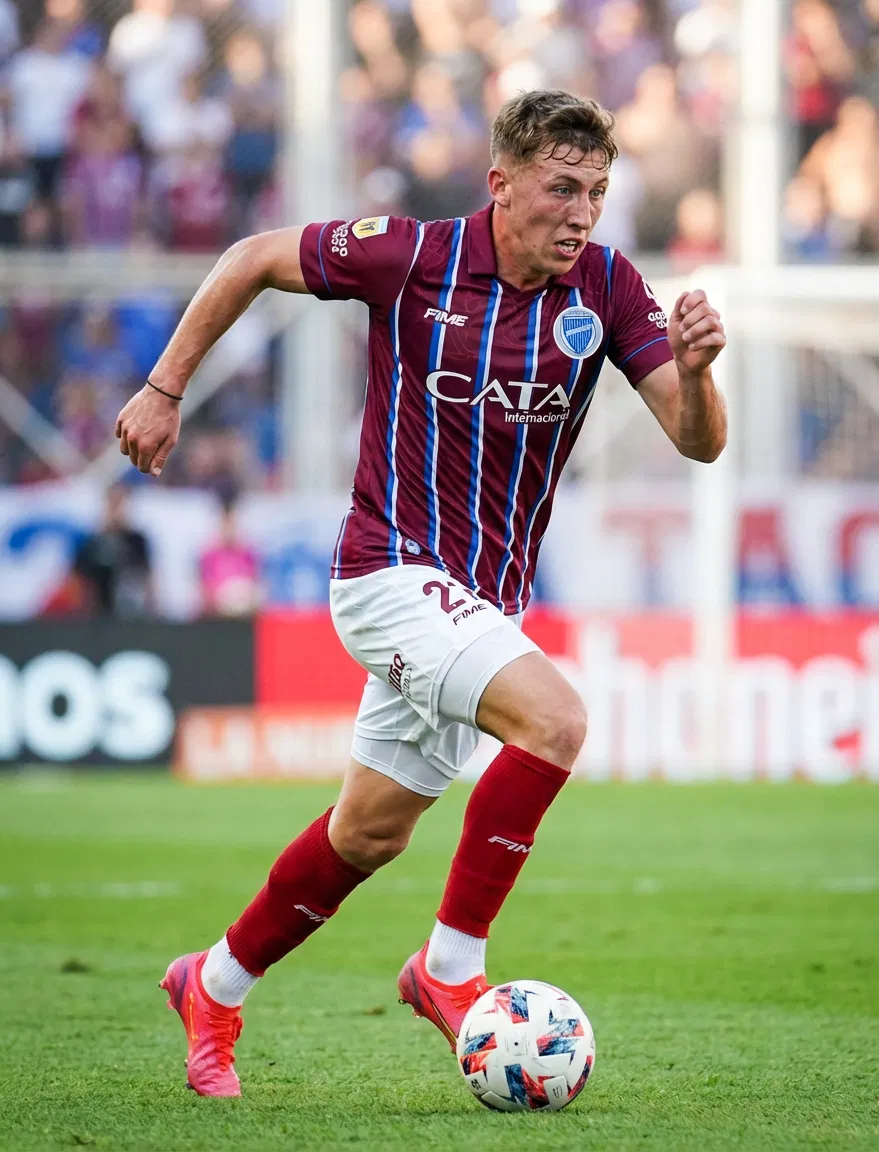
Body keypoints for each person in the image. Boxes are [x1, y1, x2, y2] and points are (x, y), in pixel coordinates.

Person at [115, 89, 727, 1097]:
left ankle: (211, 983)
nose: (581, 213)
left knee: (368, 834)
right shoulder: (409, 256)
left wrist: (698, 373)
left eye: (597, 193)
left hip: (481, 603)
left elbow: (697, 442)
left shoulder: (610, 290)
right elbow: (252, 256)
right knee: (557, 724)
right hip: (387, 571)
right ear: (502, 184)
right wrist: (165, 386)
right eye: (561, 188)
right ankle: (449, 972)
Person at [73, 484, 153, 617]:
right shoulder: (93, 540)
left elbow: (146, 576)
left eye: (120, 503)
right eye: (112, 503)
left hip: (131, 610)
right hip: (99, 612)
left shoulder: (136, 540)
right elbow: (81, 579)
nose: (116, 509)